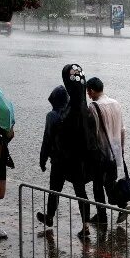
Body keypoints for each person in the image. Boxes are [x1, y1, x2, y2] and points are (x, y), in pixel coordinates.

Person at [36, 84, 94, 231]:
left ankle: (49, 217)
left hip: (59, 161)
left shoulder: (52, 116)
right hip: (77, 160)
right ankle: (86, 224)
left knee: (54, 190)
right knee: (81, 192)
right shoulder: (77, 113)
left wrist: (43, 160)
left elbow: (47, 140)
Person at [86, 77, 130, 225]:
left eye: (88, 91)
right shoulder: (116, 103)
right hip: (115, 151)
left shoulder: (93, 107)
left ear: (91, 90)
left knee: (98, 186)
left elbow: (94, 132)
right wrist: (121, 151)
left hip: (101, 153)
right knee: (110, 182)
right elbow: (123, 130)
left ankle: (102, 217)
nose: (88, 95)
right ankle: (122, 206)